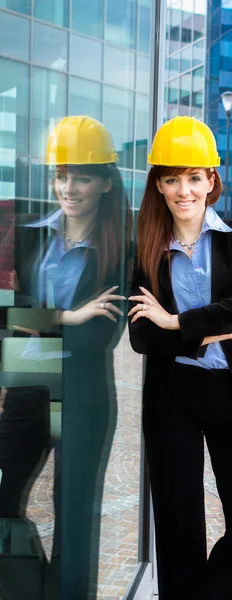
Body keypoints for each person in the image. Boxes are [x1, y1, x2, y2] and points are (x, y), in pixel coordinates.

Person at [128, 116, 232, 600]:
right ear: (158, 185)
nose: (184, 190)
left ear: (212, 181)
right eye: (173, 179)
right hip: (172, 401)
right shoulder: (149, 250)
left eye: (195, 177)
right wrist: (216, 323)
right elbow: (140, 337)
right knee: (179, 539)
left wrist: (177, 322)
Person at [0, 116, 132, 599]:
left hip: (84, 394)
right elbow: (5, 312)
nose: (67, 187)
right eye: (61, 175)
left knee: (74, 516)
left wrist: (36, 320)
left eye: (80, 176)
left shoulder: (121, 249)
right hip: (27, 383)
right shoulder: (32, 234)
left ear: (103, 182)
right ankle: (31, 586)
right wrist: (66, 317)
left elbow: (100, 336)